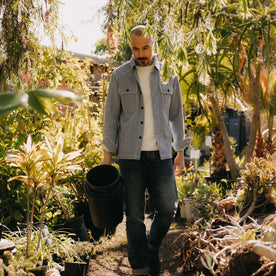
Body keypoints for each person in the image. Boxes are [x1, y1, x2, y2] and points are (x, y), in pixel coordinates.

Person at [102, 25, 189, 276]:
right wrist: (108, 158)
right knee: (135, 217)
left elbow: (176, 116)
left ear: (154, 44)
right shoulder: (119, 76)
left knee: (168, 208)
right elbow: (111, 118)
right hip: (130, 157)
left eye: (145, 47)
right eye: (135, 48)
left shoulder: (169, 75)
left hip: (161, 154)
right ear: (130, 46)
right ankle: (140, 267)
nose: (141, 53)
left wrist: (180, 152)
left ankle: (152, 243)